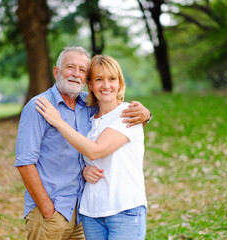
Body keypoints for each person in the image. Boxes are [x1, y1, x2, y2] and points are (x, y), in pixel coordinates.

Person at [15, 47, 151, 240]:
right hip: (52, 212)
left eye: (81, 69)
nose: (75, 74)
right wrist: (47, 210)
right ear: (56, 71)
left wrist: (146, 115)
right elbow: (25, 163)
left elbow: (94, 146)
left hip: (81, 213)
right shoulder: (40, 107)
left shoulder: (87, 108)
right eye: (70, 67)